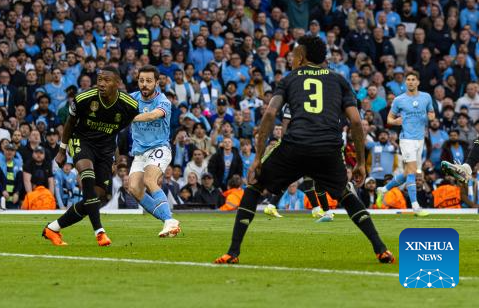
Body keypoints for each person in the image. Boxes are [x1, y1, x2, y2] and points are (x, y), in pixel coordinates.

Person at [214, 35, 393, 265]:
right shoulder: (339, 80)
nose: (291, 58)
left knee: (255, 186)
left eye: (295, 54)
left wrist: (258, 158)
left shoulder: (290, 79)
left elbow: (269, 114)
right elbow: (357, 123)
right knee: (347, 194)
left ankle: (233, 252)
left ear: (303, 56)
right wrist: (360, 162)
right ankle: (381, 249)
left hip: (295, 147)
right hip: (328, 149)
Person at [42, 67, 139, 247]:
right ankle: (99, 232)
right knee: (87, 176)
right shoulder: (84, 98)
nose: (101, 84)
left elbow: (117, 131)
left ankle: (53, 228)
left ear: (117, 84)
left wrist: (115, 155)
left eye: (107, 80)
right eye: (99, 79)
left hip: (105, 149)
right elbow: (69, 123)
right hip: (82, 141)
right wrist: (62, 150)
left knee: (97, 196)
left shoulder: (129, 105)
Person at [126, 65, 180, 237]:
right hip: (140, 153)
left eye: (149, 81)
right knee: (134, 188)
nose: (144, 84)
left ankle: (169, 221)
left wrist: (128, 118)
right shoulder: (132, 99)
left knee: (150, 180)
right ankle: (168, 220)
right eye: (141, 81)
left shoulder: (163, 101)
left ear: (157, 83)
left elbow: (152, 115)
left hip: (159, 148)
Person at [378, 70, 435, 216]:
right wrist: (395, 121)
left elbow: (432, 113)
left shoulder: (426, 97)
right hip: (406, 139)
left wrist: (430, 117)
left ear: (418, 82)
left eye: (413, 79)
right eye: (408, 79)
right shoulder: (399, 100)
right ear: (405, 82)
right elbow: (389, 119)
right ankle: (415, 206)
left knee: (407, 172)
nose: (410, 81)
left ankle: (383, 190)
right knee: (412, 171)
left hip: (420, 139)